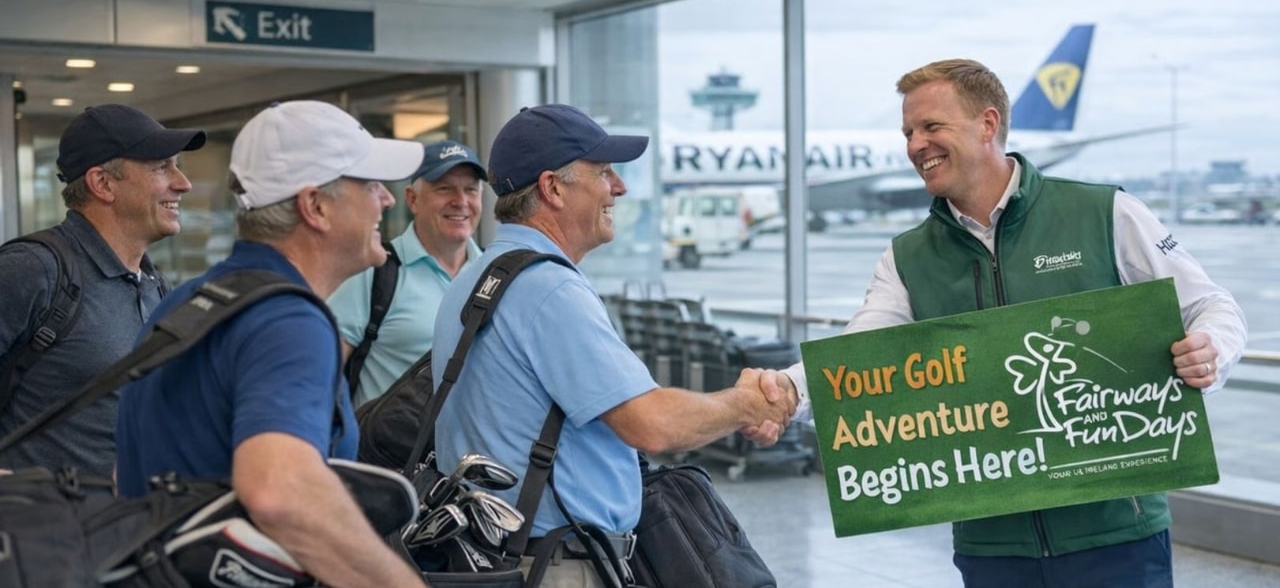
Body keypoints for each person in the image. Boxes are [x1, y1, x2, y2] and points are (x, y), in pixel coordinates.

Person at [767, 59, 1247, 588]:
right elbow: (858, 357)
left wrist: (1212, 349)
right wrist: (785, 390)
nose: (915, 145)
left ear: (987, 125)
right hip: (992, 544)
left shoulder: (1103, 212)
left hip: (1114, 535)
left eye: (931, 127)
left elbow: (1211, 304)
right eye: (908, 132)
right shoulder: (907, 257)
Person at [432, 104, 797, 587]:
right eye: (603, 172)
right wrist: (750, 403)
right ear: (552, 188)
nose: (619, 188)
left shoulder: (478, 276)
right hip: (557, 566)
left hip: (500, 557)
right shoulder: (548, 290)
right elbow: (653, 424)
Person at [115, 100, 428, 587]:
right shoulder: (287, 321)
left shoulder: (186, 302)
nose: (387, 200)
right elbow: (279, 492)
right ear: (315, 207)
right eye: (369, 184)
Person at [0, 104, 204, 476]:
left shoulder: (155, 285)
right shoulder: (33, 269)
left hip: (130, 525)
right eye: (161, 167)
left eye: (177, 165)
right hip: (42, 528)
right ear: (103, 184)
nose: (183, 183)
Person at [328, 140, 485, 405]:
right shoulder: (373, 272)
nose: (461, 202)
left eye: (471, 190)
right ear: (413, 199)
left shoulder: (493, 273)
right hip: (388, 446)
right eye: (445, 189)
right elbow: (323, 376)